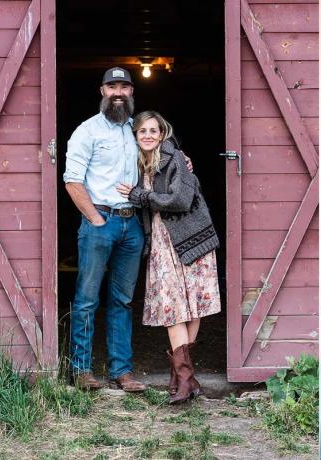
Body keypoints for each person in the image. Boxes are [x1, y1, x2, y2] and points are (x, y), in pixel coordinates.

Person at [117, 111, 221, 405]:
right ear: (135, 137)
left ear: (162, 134)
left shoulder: (175, 159)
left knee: (192, 307)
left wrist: (141, 196)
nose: (148, 135)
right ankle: (185, 378)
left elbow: (180, 200)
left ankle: (183, 378)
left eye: (154, 130)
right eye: (142, 132)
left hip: (191, 239)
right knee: (173, 307)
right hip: (163, 244)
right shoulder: (140, 165)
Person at [63, 67, 147, 392]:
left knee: (122, 301)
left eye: (123, 87)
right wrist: (96, 219)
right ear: (102, 91)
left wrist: (182, 159)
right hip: (100, 221)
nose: (118, 93)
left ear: (131, 92)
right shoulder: (87, 131)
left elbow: (160, 157)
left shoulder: (138, 130)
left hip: (132, 224)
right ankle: (81, 371)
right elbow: (72, 180)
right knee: (86, 299)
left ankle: (121, 372)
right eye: (112, 86)